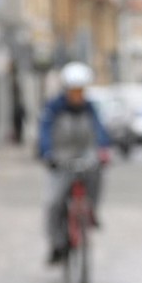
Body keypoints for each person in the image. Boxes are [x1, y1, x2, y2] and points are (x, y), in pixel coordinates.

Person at [38, 61, 111, 264]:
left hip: (85, 156)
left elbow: (100, 130)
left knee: (97, 176)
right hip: (60, 159)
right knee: (53, 203)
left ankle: (91, 211)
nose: (78, 95)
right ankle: (57, 244)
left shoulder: (90, 108)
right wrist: (47, 153)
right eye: (74, 91)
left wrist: (103, 149)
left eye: (81, 91)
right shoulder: (53, 108)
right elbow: (44, 131)